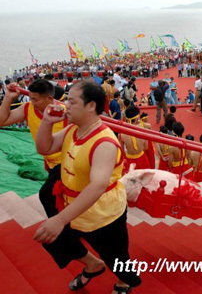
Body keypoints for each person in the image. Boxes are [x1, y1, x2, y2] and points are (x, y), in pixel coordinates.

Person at [33, 81, 141, 293]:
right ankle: (92, 264)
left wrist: (60, 219)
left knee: (115, 256)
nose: (66, 106)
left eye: (72, 102)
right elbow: (44, 147)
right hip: (72, 205)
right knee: (55, 240)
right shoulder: (74, 129)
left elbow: (98, 186)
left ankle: (124, 281)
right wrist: (46, 122)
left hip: (103, 213)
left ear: (91, 105)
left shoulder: (104, 143)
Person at [0, 79, 67, 218]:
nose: (33, 103)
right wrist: (8, 98)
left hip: (68, 162)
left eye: (36, 99)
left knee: (47, 194)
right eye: (31, 98)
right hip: (50, 163)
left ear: (49, 98)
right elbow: (2, 121)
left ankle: (60, 226)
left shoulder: (64, 112)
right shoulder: (28, 108)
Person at [120, 106, 150, 173]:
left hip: (129, 161)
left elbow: (122, 151)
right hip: (142, 159)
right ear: (136, 119)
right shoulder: (143, 130)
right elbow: (146, 147)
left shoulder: (122, 133)